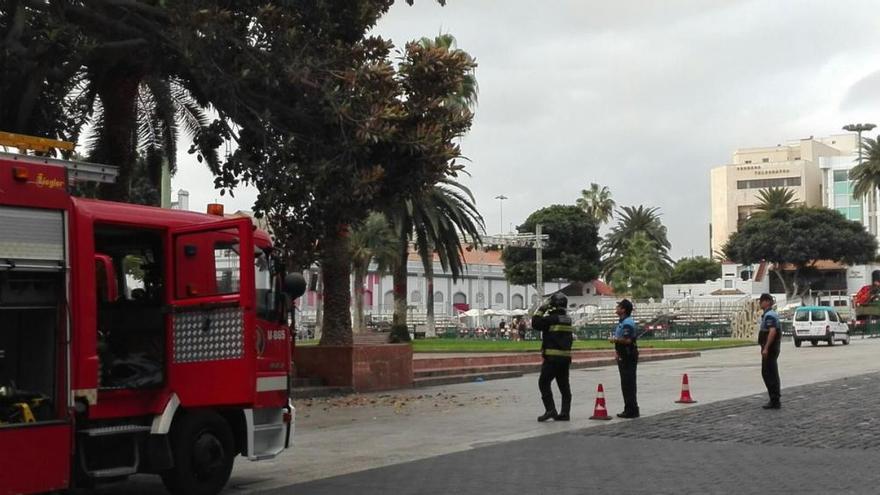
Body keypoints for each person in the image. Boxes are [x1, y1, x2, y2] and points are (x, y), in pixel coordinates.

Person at [531, 292, 574, 422]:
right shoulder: (567, 320)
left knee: (543, 382)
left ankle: (550, 409)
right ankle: (565, 413)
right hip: (565, 358)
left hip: (552, 358)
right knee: (564, 385)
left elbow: (535, 323)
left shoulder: (550, 319)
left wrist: (542, 308)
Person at [610, 299, 639, 418]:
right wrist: (617, 350)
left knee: (628, 383)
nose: (616, 308)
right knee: (626, 383)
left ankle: (631, 409)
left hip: (628, 355)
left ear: (623, 310)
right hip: (623, 355)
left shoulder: (627, 323)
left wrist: (614, 340)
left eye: (619, 307)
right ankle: (629, 408)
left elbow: (627, 340)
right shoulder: (622, 322)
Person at [758, 293, 782, 409]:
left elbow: (772, 331)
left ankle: (774, 398)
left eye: (761, 301)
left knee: (769, 373)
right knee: (769, 372)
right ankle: (774, 398)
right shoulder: (768, 315)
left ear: (767, 302)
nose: (760, 303)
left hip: (770, 348)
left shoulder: (770, 315)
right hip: (771, 348)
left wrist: (766, 347)